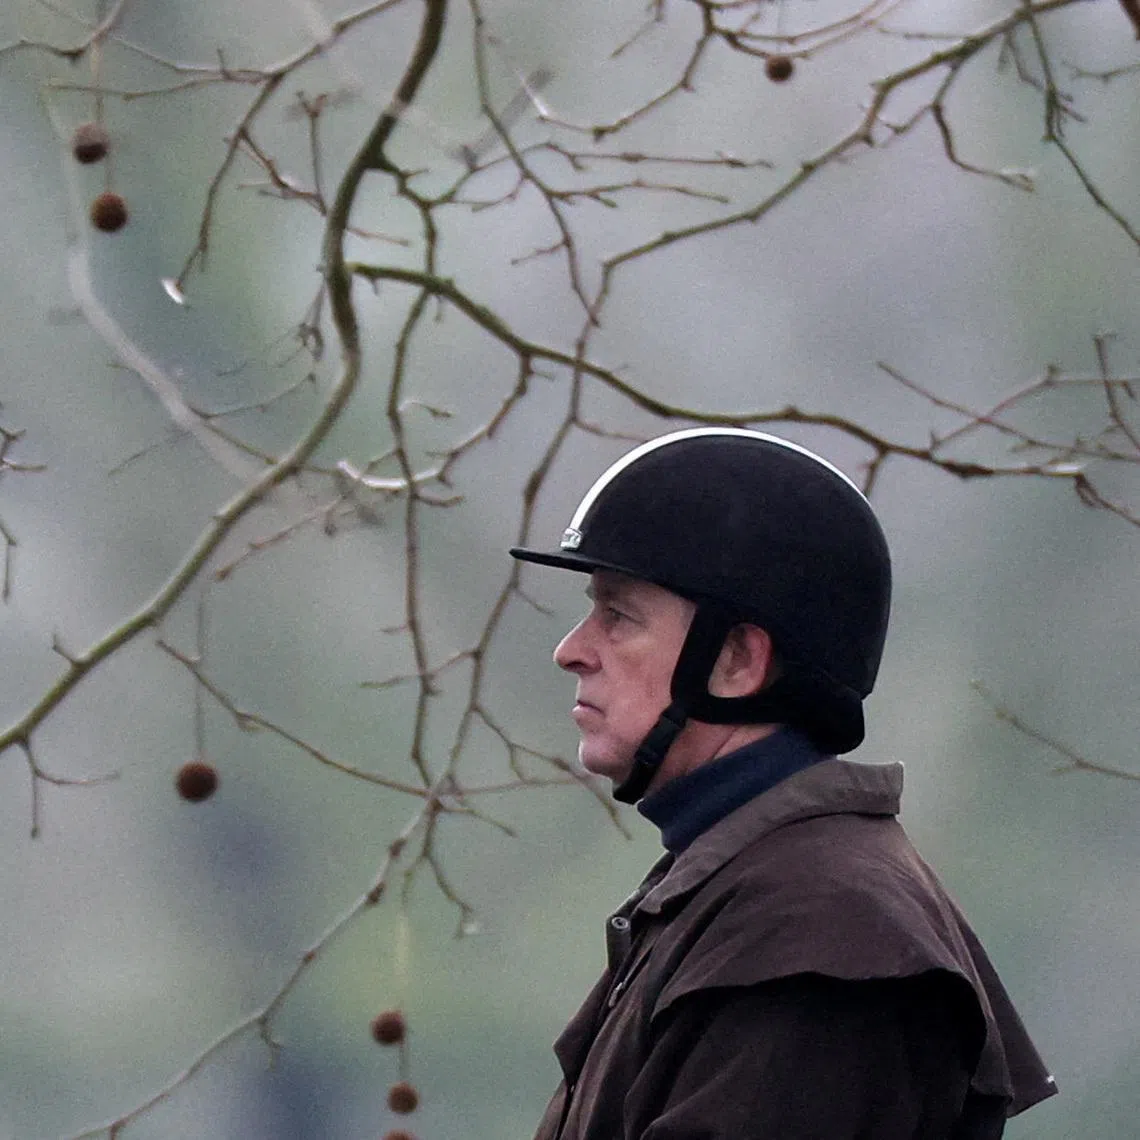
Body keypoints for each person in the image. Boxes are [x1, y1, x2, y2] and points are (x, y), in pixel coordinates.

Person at [510, 428, 1057, 1140]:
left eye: (618, 615)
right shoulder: (751, 891)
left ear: (738, 660)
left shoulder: (820, 931)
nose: (571, 650)